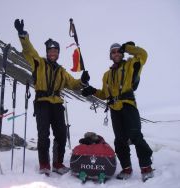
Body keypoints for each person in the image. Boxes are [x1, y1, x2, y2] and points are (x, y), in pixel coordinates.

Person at [14, 19, 90, 175]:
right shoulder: (39, 63)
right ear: (47, 52)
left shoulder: (62, 71)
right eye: (50, 50)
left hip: (57, 104)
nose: (53, 53)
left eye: (55, 51)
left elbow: (73, 84)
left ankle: (58, 163)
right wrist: (23, 35)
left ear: (58, 53)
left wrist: (82, 81)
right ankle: (44, 165)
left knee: (61, 134)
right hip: (42, 103)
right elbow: (29, 50)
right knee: (43, 135)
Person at [81, 42, 154, 182]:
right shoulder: (106, 75)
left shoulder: (130, 65)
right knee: (120, 140)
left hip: (128, 105)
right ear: (110, 55)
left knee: (136, 136)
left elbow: (143, 54)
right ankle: (126, 168)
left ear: (122, 53)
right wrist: (92, 91)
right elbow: (105, 94)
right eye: (113, 52)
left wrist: (127, 48)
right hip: (114, 109)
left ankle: (146, 167)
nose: (116, 54)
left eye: (118, 51)